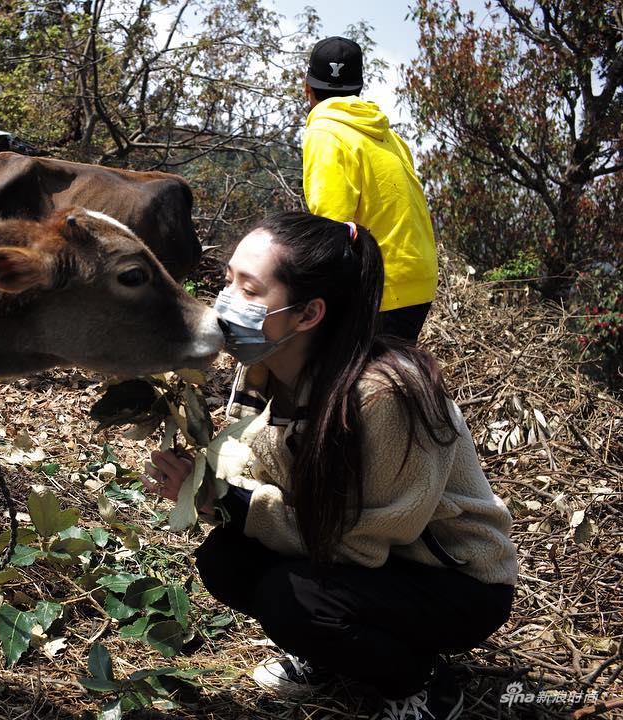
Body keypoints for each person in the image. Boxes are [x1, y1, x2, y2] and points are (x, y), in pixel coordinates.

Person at [143, 212, 517, 720]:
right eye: (228, 280)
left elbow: (362, 543)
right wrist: (206, 482)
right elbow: (247, 458)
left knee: (289, 599)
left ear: (308, 314)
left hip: (453, 580)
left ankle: (421, 681)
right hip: (354, 551)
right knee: (225, 561)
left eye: (251, 290)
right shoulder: (263, 368)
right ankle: (336, 649)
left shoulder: (384, 394)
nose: (227, 301)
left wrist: (230, 501)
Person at [302, 36, 437, 343]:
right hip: (418, 278)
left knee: (349, 381)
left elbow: (331, 228)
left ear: (306, 87)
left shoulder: (324, 132)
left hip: (380, 289)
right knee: (387, 375)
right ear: (359, 89)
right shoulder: (389, 135)